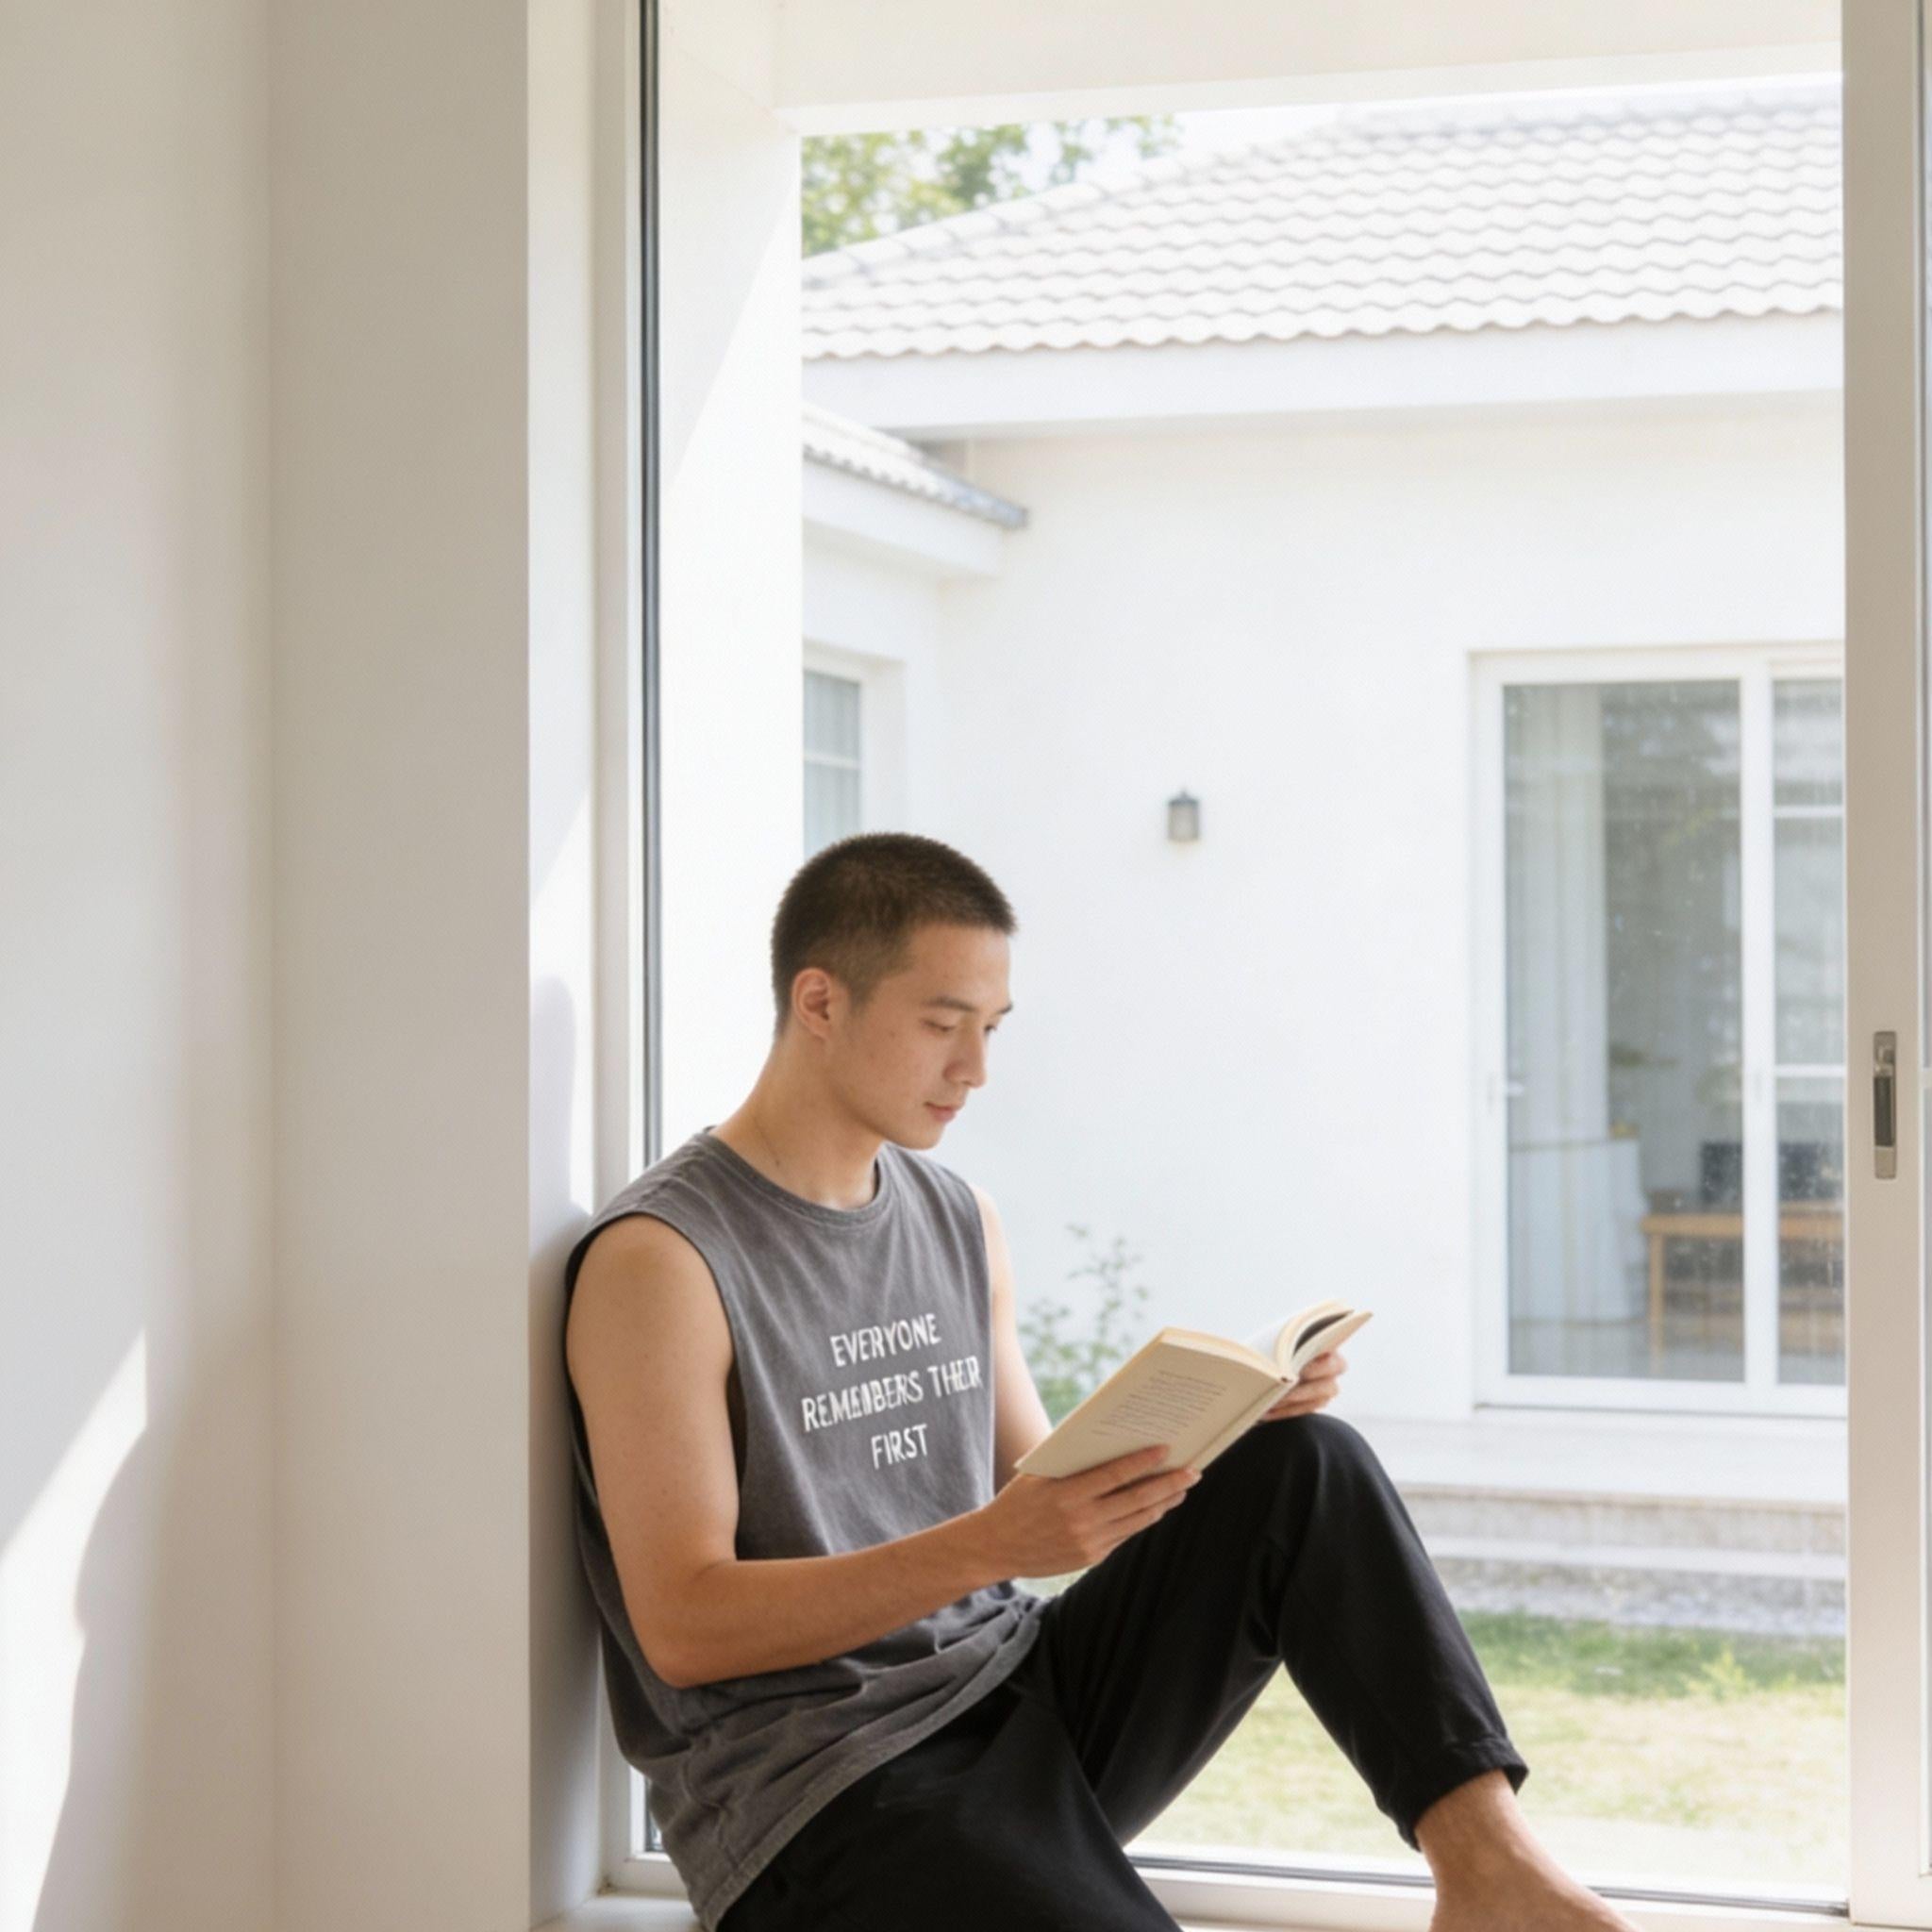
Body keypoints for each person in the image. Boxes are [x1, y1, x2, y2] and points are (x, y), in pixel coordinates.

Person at [561, 831, 1639, 1932]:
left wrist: (1214, 1427)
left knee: (1300, 1464)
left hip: (1009, 1690)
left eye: (990, 1027)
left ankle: (1489, 1869)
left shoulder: (952, 1216)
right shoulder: (662, 1259)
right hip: (821, 1791)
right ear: (820, 1001)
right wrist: (988, 1544)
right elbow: (683, 1623)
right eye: (941, 1024)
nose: (974, 1067)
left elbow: (1036, 1471)